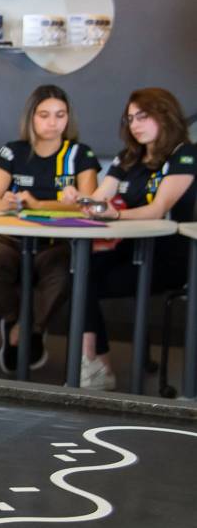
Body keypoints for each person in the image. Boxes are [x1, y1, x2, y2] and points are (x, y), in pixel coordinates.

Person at [70, 88, 195, 391]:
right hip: (128, 247)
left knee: (87, 281)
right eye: (130, 118)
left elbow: (158, 210)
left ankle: (95, 366)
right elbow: (100, 198)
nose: (135, 125)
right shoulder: (128, 156)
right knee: (78, 274)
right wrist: (82, 200)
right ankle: (95, 362)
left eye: (142, 116)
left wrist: (114, 215)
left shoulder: (185, 154)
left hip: (169, 254)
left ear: (164, 115)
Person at [0, 85, 101, 372]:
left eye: (60, 115)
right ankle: (17, 320)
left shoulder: (80, 154)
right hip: (10, 236)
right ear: (31, 117)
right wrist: (7, 202)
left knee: (64, 274)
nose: (52, 122)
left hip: (57, 240)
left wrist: (39, 204)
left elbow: (89, 205)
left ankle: (32, 329)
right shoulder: (13, 151)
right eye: (44, 115)